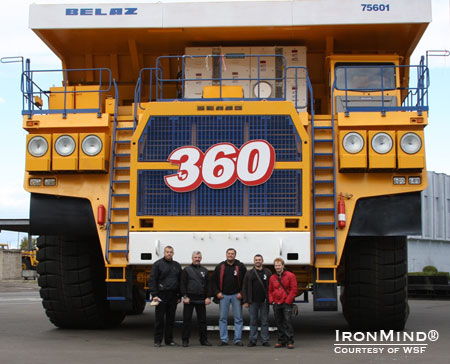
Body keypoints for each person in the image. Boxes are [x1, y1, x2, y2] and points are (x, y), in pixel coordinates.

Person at [212, 248, 247, 346]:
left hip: (237, 295)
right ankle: (224, 339)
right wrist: (217, 292)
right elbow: (213, 281)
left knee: (238, 318)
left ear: (235, 255)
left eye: (232, 254)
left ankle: (238, 339)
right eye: (229, 253)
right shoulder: (220, 266)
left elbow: (245, 281)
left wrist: (242, 293)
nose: (230, 255)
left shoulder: (240, 266)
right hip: (224, 296)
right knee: (223, 318)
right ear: (226, 255)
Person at [149, 245, 182, 347]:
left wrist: (179, 295)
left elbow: (180, 281)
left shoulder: (177, 265)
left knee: (170, 319)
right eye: (167, 252)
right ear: (164, 253)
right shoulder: (157, 264)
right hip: (161, 295)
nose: (169, 253)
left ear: (173, 253)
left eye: (171, 252)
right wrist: (154, 294)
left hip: (173, 295)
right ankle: (157, 341)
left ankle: (169, 340)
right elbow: (153, 280)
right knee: (159, 319)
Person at [180, 250, 212, 347]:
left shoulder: (205, 271)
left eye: (199, 257)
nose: (197, 259)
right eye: (195, 257)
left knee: (202, 321)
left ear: (201, 258)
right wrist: (185, 296)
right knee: (187, 320)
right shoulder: (186, 270)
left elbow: (208, 286)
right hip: (189, 299)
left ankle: (204, 340)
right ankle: (185, 340)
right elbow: (182, 284)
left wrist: (208, 297)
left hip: (201, 299)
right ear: (192, 258)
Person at [242, 254, 272, 347]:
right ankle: (253, 340)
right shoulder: (249, 273)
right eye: (256, 260)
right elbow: (245, 287)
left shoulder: (268, 272)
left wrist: (270, 299)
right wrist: (245, 301)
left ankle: (265, 340)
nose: (258, 261)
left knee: (264, 321)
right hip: (252, 301)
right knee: (253, 322)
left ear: (262, 261)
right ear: (254, 261)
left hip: (264, 301)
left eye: (259, 260)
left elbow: (271, 287)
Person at [268, 257, 298, 349]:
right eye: (276, 265)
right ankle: (281, 341)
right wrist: (271, 300)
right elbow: (270, 290)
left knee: (287, 322)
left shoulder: (290, 276)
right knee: (279, 322)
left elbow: (294, 290)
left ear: (283, 266)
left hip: (286, 302)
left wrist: (288, 300)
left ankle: (290, 341)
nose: (277, 267)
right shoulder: (272, 277)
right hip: (276, 302)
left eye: (279, 265)